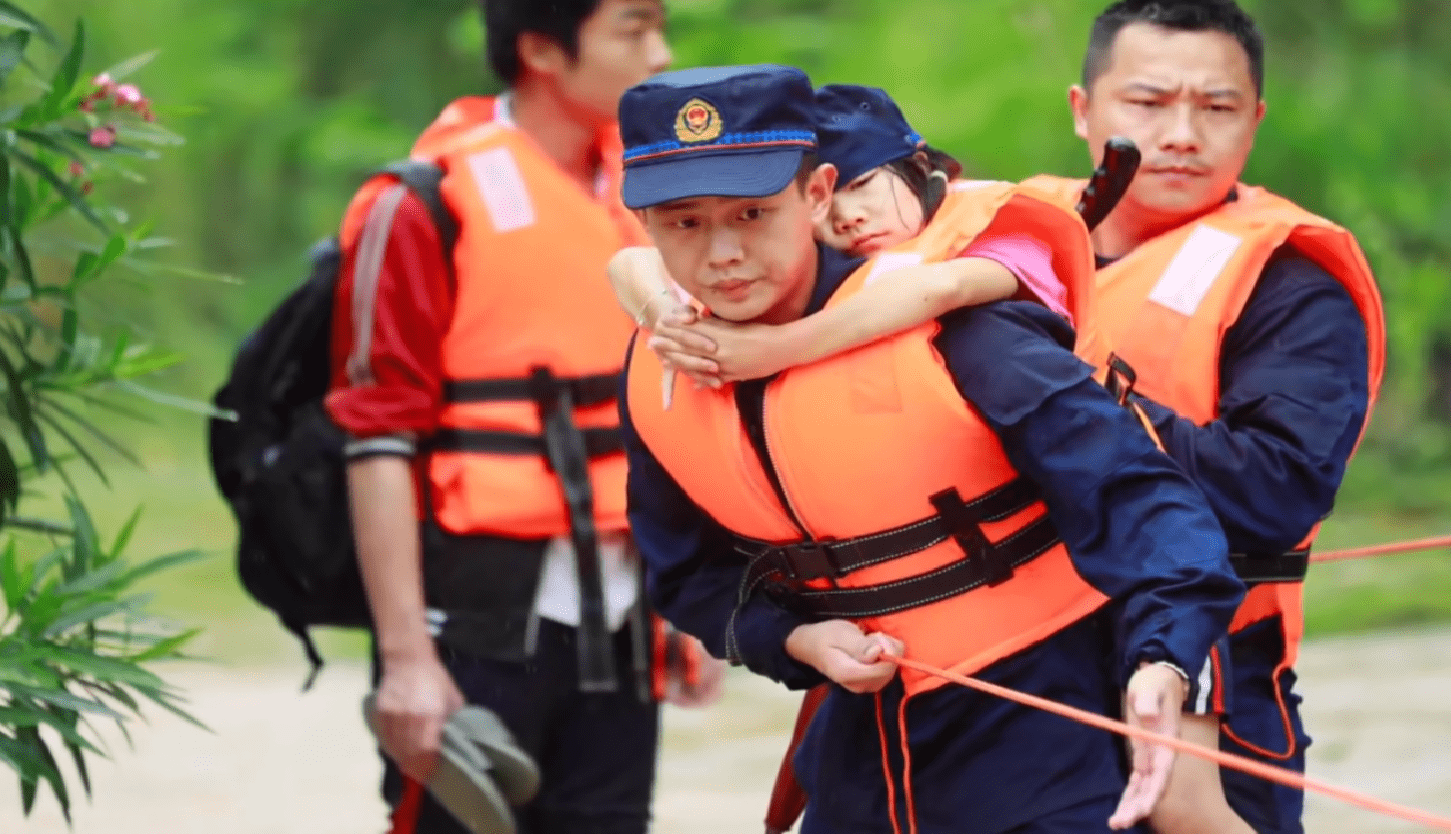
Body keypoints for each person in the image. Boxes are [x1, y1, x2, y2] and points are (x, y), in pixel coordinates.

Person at [632, 4, 1386, 833]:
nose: (1178, 134)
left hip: (1165, 651)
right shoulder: (970, 240)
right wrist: (795, 638)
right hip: (884, 712)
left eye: (1214, 106)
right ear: (1082, 108)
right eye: (1145, 103)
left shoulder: (988, 301)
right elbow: (688, 565)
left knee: (1186, 807)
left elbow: (1264, 493)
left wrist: (1162, 649)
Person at [324, 3, 721, 833]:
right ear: (542, 48)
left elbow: (675, 412)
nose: (661, 54)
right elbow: (376, 436)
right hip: (472, 612)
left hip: (618, 619)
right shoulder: (420, 203)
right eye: (632, 30)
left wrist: (675, 609)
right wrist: (405, 663)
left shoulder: (656, 199)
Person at [609, 84, 1079, 387]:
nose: (849, 217)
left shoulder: (994, 225)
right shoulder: (798, 257)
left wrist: (773, 350)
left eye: (863, 186)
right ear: (810, 199)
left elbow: (945, 285)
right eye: (827, 206)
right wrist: (674, 323)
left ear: (918, 169)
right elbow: (627, 263)